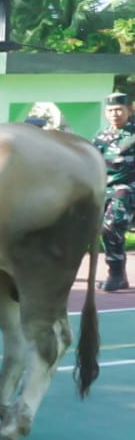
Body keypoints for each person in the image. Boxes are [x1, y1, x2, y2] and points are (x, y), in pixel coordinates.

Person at [95, 92, 134, 292]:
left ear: (130, 109)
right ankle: (119, 276)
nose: (115, 114)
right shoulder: (101, 137)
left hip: (128, 188)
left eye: (119, 109)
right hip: (104, 189)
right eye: (110, 110)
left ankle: (116, 275)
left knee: (111, 226)